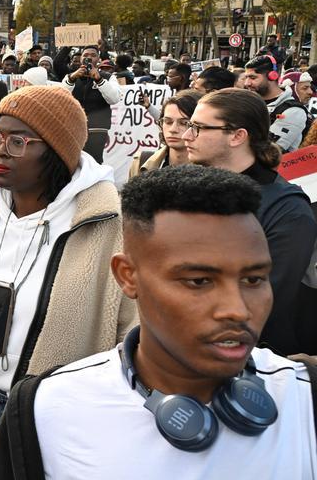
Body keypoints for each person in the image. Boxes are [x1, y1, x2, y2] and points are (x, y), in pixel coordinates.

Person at [0, 165, 317, 480]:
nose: (238, 309)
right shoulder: (44, 409)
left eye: (253, 279)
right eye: (199, 281)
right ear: (128, 276)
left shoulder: (305, 396)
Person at [0, 85, 136, 480]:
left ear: (57, 151)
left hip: (55, 421)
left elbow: (131, 334)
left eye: (18, 141)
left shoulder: (108, 223)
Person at [185, 88, 317, 354]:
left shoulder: (288, 210)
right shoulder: (192, 187)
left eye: (198, 128)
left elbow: (265, 300)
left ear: (237, 136)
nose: (187, 135)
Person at [130, 89, 203, 177]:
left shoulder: (214, 170)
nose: (173, 129)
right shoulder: (141, 164)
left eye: (184, 123)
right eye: (168, 122)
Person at [243, 55, 309, 151]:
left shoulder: (294, 111)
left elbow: (269, 150)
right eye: (246, 78)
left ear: (272, 76)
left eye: (253, 78)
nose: (247, 83)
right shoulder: (249, 102)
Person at [61, 45, 122, 129]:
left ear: (98, 59)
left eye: (93, 55)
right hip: (74, 128)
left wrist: (99, 80)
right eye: (85, 55)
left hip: (98, 128)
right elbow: (61, 97)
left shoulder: (108, 77)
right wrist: (72, 79)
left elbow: (114, 99)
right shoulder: (70, 76)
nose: (89, 58)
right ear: (81, 58)